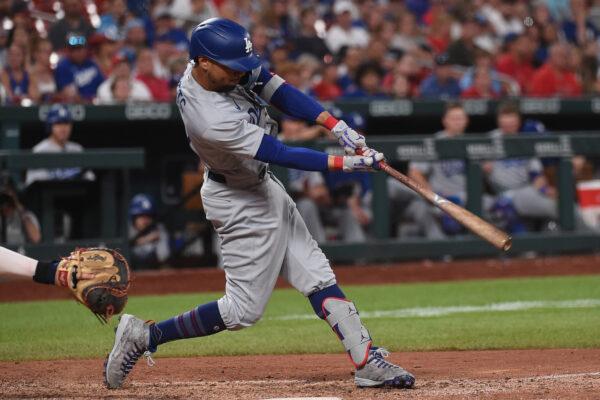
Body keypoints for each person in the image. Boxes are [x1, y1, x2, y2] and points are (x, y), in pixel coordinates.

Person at [104, 17, 415, 391]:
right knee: (241, 312)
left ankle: (366, 361)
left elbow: (275, 88)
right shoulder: (209, 118)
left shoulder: (217, 66)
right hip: (237, 200)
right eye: (233, 68)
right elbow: (278, 151)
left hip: (261, 185)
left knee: (317, 274)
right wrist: (347, 163)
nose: (242, 74)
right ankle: (144, 337)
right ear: (203, 63)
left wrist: (335, 125)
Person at [26, 104, 95, 185]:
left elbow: (90, 179)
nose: (63, 128)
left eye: (66, 123)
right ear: (50, 126)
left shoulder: (77, 149)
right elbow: (35, 184)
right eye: (58, 123)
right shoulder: (39, 151)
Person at [54, 34, 105, 102]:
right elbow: (68, 93)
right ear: (69, 51)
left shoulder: (91, 64)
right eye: (74, 49)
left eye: (81, 49)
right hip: (77, 106)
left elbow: (102, 84)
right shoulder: (63, 66)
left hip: (96, 102)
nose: (78, 52)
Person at [128, 194, 170, 270]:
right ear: (134, 217)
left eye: (148, 216)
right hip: (131, 274)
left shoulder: (158, 229)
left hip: (153, 274)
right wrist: (146, 239)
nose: (145, 220)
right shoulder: (127, 230)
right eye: (141, 216)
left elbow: (164, 258)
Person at [0, 174, 41, 246]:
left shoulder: (26, 215)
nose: (5, 202)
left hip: (20, 254)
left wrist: (16, 203)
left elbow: (36, 239)